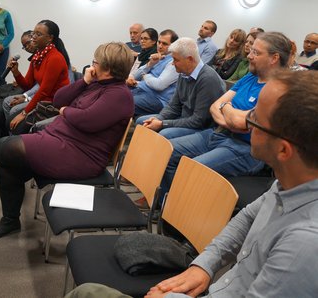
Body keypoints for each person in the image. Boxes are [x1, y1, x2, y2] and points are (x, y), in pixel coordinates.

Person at [65, 71, 318, 298]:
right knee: (87, 293)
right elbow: (248, 217)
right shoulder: (290, 182)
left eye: (254, 118)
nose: (246, 119)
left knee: (86, 293)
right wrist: (205, 264)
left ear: (284, 151)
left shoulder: (305, 245)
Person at [0, 42, 134, 240]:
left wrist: (66, 112)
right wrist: (83, 82)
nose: (92, 65)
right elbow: (59, 100)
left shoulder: (119, 95)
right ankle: (10, 220)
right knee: (10, 165)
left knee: (12, 148)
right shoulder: (96, 84)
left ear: (108, 68)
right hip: (61, 139)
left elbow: (86, 121)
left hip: (81, 154)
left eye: (95, 62)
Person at [159, 31, 291, 195]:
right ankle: (166, 204)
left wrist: (226, 107)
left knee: (192, 168)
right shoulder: (251, 77)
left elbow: (238, 121)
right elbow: (215, 106)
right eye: (250, 50)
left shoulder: (279, 89)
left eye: (256, 52)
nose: (249, 55)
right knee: (168, 151)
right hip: (219, 134)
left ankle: (178, 214)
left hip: (245, 149)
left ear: (274, 58)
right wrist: (231, 114)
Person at [137, 37, 225, 140]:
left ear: (190, 59)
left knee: (164, 134)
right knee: (142, 122)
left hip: (201, 128)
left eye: (176, 60)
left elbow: (199, 121)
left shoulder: (208, 79)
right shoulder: (184, 72)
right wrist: (158, 118)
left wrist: (162, 123)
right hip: (184, 119)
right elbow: (173, 106)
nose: (172, 63)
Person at [5, 20, 71, 135]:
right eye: (33, 34)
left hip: (53, 104)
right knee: (11, 118)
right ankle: (11, 144)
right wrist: (16, 72)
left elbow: (44, 91)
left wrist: (24, 113)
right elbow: (27, 85)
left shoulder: (55, 58)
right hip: (43, 101)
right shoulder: (38, 56)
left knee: (17, 122)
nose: (33, 37)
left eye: (38, 34)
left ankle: (19, 146)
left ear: (50, 38)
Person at [130, 29, 179, 116]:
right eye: (159, 42)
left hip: (158, 100)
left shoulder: (174, 62)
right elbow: (134, 76)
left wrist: (145, 76)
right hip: (143, 91)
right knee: (116, 94)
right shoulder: (157, 57)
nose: (160, 46)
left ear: (174, 46)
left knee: (124, 102)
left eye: (164, 44)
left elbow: (159, 85)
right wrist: (150, 64)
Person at [3, 30, 40, 120]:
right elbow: (28, 85)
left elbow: (43, 86)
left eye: (27, 43)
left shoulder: (51, 56)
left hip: (46, 97)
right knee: (6, 101)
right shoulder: (35, 59)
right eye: (24, 46)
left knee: (13, 108)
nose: (27, 47)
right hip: (34, 92)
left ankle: (16, 132)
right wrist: (16, 72)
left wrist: (26, 97)